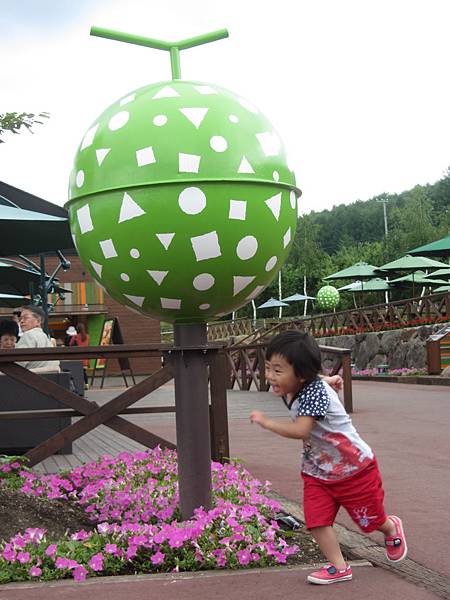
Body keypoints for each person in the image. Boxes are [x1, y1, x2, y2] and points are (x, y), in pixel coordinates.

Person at [249, 330, 407, 585]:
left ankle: (390, 527)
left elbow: (301, 430)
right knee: (316, 520)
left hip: (354, 470)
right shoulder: (303, 384)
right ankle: (339, 566)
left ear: (300, 374)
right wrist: (327, 378)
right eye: (268, 368)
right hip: (318, 473)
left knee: (369, 521)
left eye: (278, 371)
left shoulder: (313, 392)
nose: (269, 376)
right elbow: (313, 379)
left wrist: (267, 422)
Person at [16, 306, 59, 371]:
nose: (21, 321)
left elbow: (18, 362)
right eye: (20, 318)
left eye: (25, 318)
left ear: (38, 321)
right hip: (51, 377)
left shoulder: (29, 335)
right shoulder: (44, 336)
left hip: (29, 378)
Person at [69, 322, 90, 387]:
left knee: (77, 371)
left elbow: (70, 344)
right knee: (84, 371)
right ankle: (86, 384)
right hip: (85, 356)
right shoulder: (87, 336)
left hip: (78, 356)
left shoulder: (75, 336)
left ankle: (79, 384)